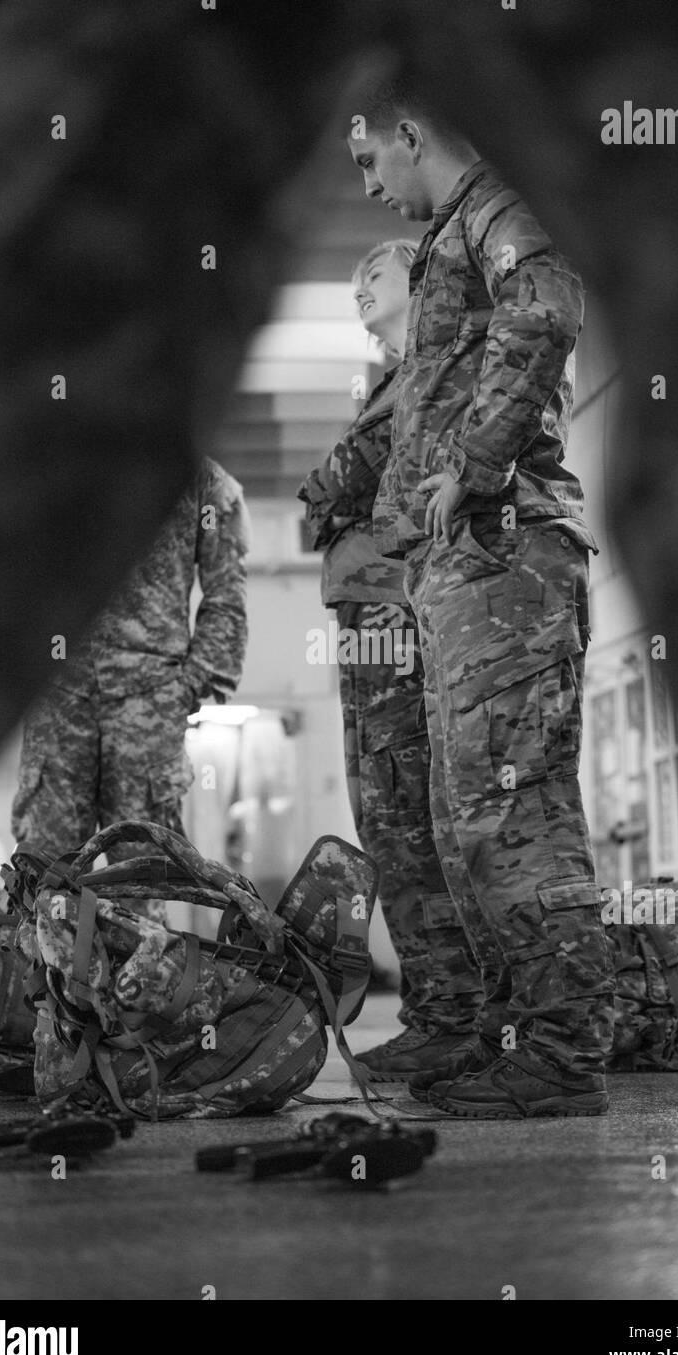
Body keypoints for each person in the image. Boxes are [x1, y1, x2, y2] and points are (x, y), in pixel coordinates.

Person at [345, 79, 615, 1117]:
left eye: (372, 161)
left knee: (516, 807)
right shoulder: (451, 235)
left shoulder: (498, 208)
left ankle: (562, 1051)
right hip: (465, 572)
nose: (369, 186)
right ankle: (510, 1034)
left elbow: (546, 303)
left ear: (413, 134)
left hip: (508, 554)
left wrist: (477, 464)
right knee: (470, 818)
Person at [298, 240, 482, 1079]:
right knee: (387, 812)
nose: (357, 286)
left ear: (415, 279)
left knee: (406, 810)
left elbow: (338, 486)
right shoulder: (389, 383)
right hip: (368, 615)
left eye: (371, 271)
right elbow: (327, 499)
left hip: (397, 611)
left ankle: (452, 1016)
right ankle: (441, 1009)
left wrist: (335, 490)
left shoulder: (431, 371)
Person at [12, 459, 250, 919]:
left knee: (143, 883)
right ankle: (44, 991)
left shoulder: (201, 480)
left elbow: (227, 592)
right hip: (57, 697)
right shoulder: (40, 461)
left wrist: (190, 683)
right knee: (44, 880)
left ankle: (139, 989)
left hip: (149, 699)